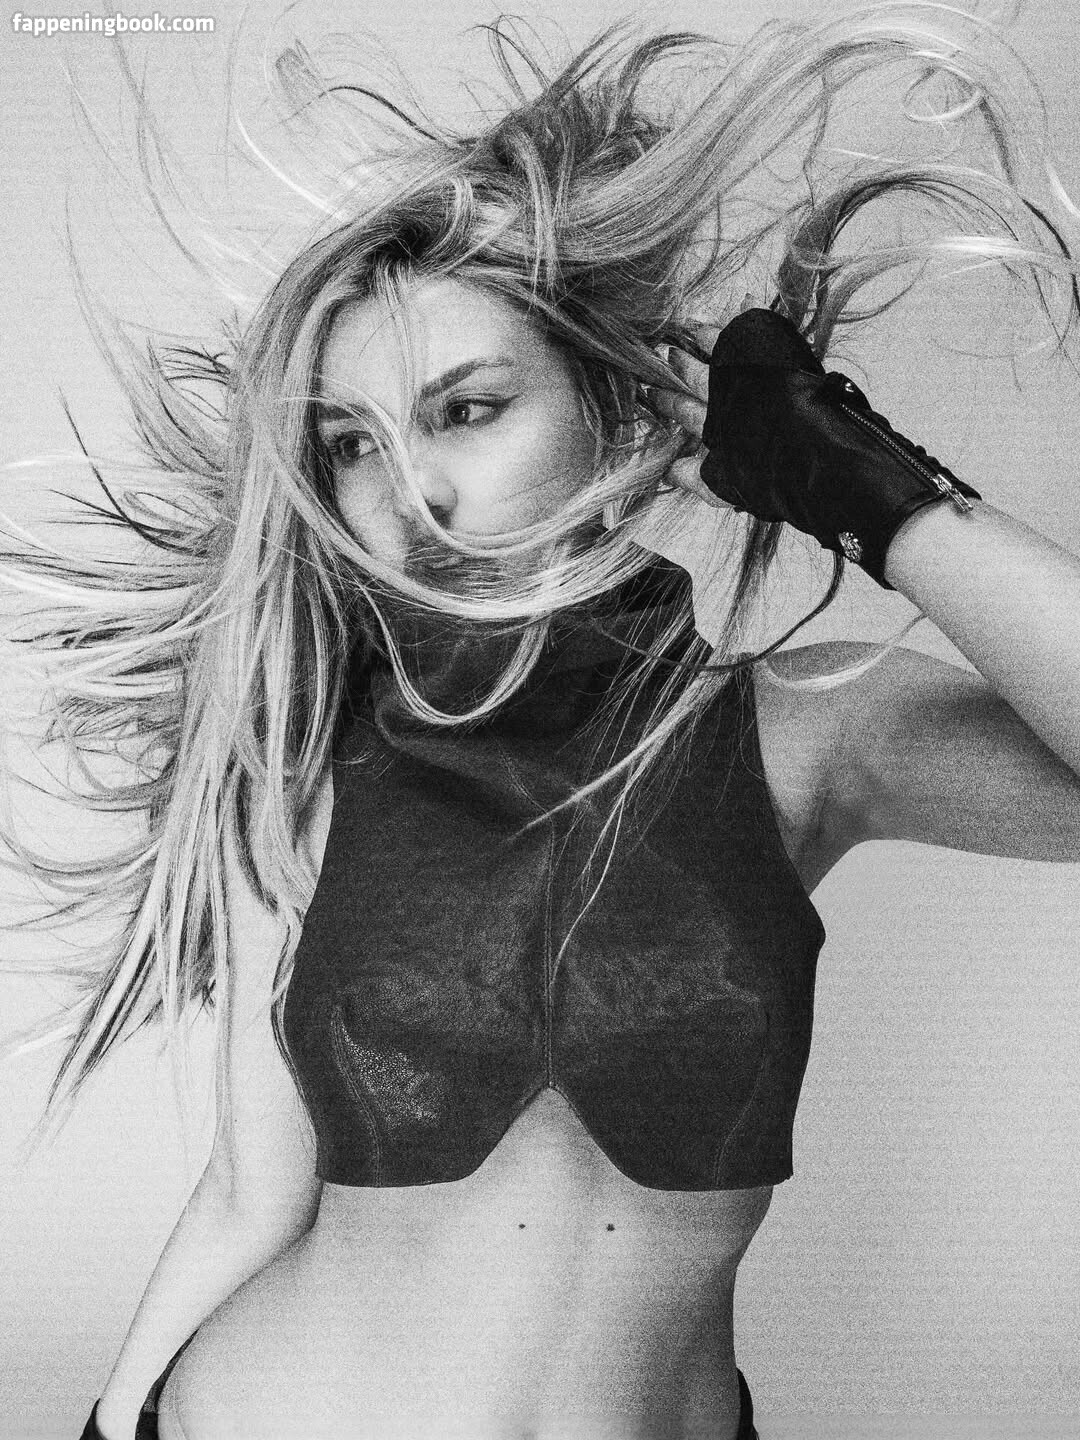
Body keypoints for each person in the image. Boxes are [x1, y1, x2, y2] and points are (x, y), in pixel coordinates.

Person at [2, 7, 1078, 1440]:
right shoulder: (304, 766)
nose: (414, 495)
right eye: (352, 447)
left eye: (468, 410)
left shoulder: (796, 733)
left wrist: (868, 493)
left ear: (611, 413)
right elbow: (251, 1190)